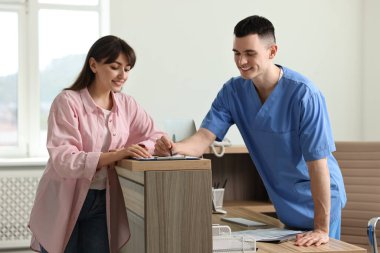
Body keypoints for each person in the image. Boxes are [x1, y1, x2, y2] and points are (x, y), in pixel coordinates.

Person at [155, 15, 347, 247]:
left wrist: (321, 228)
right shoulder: (233, 92)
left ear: (272, 52)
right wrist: (175, 149)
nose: (241, 61)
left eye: (250, 53)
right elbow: (204, 138)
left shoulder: (305, 95)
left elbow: (318, 165)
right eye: (236, 53)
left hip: (320, 204)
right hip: (285, 205)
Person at [28, 35, 165, 253]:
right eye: (115, 67)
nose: (123, 75)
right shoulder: (67, 101)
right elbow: (65, 160)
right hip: (63, 200)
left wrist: (154, 147)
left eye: (127, 69)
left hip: (102, 200)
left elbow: (155, 136)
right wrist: (118, 154)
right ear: (93, 65)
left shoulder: (127, 104)